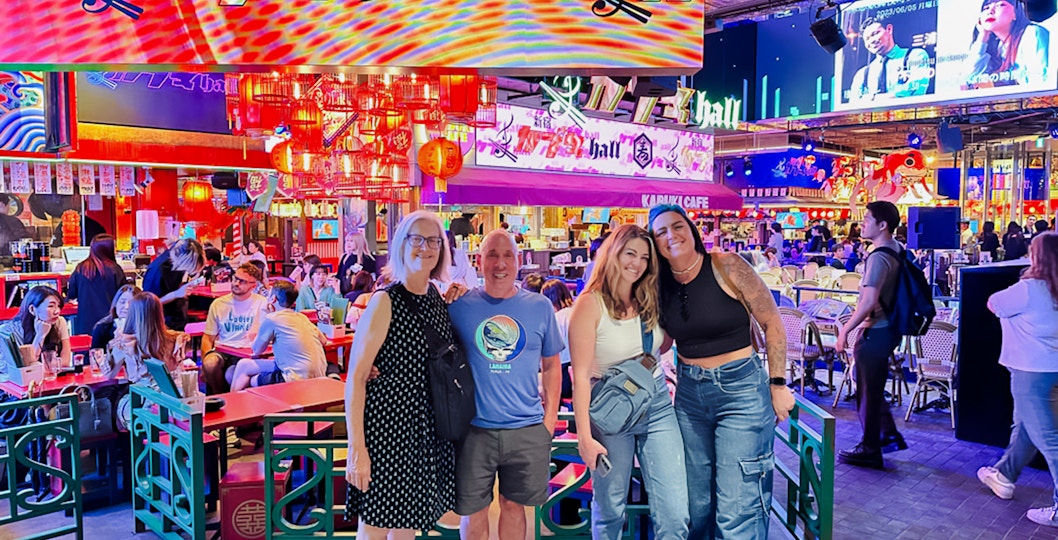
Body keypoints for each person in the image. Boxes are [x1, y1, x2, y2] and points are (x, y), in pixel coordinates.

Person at [649, 204, 794, 538]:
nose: (672, 236)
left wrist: (778, 384)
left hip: (741, 390)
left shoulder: (726, 265)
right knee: (696, 505)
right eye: (661, 232)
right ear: (655, 243)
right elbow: (666, 342)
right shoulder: (661, 285)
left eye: (677, 226)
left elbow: (772, 322)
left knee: (737, 509)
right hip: (689, 395)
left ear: (691, 228)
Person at [568, 225, 689, 538]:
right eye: (630, 253)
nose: (637, 263)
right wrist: (584, 437)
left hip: (657, 406)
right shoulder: (589, 304)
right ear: (614, 254)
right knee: (609, 510)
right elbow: (579, 376)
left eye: (644, 258)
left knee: (675, 512)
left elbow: (660, 347)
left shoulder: (650, 299)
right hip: (611, 411)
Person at [344, 210, 456, 538]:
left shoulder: (437, 298)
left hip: (425, 429)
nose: (426, 247)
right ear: (401, 245)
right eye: (417, 239)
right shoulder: (385, 301)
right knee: (375, 528)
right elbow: (357, 377)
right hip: (387, 429)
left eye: (433, 240)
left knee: (407, 527)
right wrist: (357, 448)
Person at [446, 229, 563, 540]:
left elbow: (552, 366)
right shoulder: (457, 307)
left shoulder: (539, 307)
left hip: (526, 428)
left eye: (507, 255)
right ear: (479, 261)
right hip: (472, 429)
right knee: (473, 510)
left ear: (519, 260)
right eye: (492, 255)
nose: (500, 263)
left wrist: (548, 422)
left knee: (514, 507)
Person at [977, 232, 1058, 527]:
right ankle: (1004, 475)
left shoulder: (1028, 288)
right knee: (1027, 428)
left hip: (1030, 372)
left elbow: (993, 303)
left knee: (1049, 439)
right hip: (1053, 369)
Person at [835, 201, 909, 469]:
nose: (862, 223)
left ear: (882, 225)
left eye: (867, 219)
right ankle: (884, 437)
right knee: (871, 387)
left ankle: (870, 446)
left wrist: (845, 330)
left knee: (867, 388)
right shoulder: (897, 250)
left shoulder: (878, 256)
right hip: (888, 329)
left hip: (875, 330)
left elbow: (868, 301)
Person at [101, 291, 190, 430]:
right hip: (176, 404)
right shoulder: (175, 339)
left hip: (142, 405)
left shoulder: (125, 342)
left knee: (116, 404)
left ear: (132, 314)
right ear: (159, 313)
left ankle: (125, 448)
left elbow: (109, 375)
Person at [230, 281, 327, 392]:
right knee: (245, 364)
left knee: (248, 375)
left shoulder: (272, 319)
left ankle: (232, 405)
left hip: (294, 379)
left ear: (273, 299)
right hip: (318, 375)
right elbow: (323, 341)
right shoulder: (302, 317)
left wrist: (267, 314)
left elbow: (256, 350)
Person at [201, 263, 268, 395]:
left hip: (250, 353)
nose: (236, 283)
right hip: (224, 350)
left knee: (234, 374)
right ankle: (219, 397)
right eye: (235, 278)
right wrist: (204, 362)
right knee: (210, 364)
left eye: (242, 281)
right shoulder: (218, 304)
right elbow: (208, 337)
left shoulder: (262, 303)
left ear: (253, 286)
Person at [964, 0, 1050, 89]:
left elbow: (1041, 81)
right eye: (986, 8)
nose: (990, 11)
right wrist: (983, 36)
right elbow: (968, 79)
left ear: (1015, 14)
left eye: (1000, 5)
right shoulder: (997, 47)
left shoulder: (1032, 33)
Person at [849, 17, 931, 102]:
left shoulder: (915, 56)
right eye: (867, 39)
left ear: (889, 29)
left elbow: (916, 93)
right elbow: (853, 105)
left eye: (875, 33)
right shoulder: (862, 74)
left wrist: (872, 98)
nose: (872, 40)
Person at [0, 286, 72, 380]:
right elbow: (26, 369)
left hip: (50, 380)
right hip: (16, 387)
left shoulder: (59, 322)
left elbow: (65, 361)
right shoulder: (8, 331)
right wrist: (40, 335)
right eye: (51, 306)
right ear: (32, 309)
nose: (57, 311)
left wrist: (43, 369)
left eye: (58, 306)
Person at [66, 234, 129, 335]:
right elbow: (123, 293)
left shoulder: (80, 268)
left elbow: (72, 294)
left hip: (85, 323)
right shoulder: (115, 269)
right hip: (109, 322)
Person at [142, 238, 206, 331]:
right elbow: (148, 305)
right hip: (161, 323)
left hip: (177, 318)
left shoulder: (176, 263)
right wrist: (176, 294)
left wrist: (184, 286)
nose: (187, 271)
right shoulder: (156, 271)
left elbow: (173, 286)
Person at [540, 279, 574, 399]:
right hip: (583, 374)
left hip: (563, 377)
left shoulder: (556, 319)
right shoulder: (578, 312)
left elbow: (549, 355)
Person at [91, 284, 140, 350]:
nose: (126, 307)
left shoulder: (144, 328)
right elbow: (92, 356)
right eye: (122, 302)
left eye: (132, 303)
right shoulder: (102, 328)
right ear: (116, 304)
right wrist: (109, 347)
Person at [0, 194, 27, 258]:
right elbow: (24, 241)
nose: (9, 208)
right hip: (9, 259)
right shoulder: (13, 221)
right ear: (1, 204)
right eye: (8, 205)